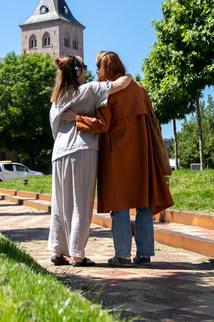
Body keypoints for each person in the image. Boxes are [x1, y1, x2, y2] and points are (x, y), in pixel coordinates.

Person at [64, 51, 173, 267]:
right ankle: (144, 254)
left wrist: (78, 119)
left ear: (105, 68)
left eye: (98, 68)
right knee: (143, 204)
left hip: (117, 155)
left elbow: (102, 124)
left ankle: (122, 255)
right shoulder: (139, 89)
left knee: (120, 205)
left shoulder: (108, 91)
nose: (96, 73)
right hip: (143, 155)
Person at [48, 55, 133, 267]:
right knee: (81, 204)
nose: (86, 70)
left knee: (60, 204)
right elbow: (121, 83)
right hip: (82, 150)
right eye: (84, 67)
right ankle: (77, 254)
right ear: (77, 72)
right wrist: (129, 74)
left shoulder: (57, 98)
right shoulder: (88, 89)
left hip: (59, 152)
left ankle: (57, 252)